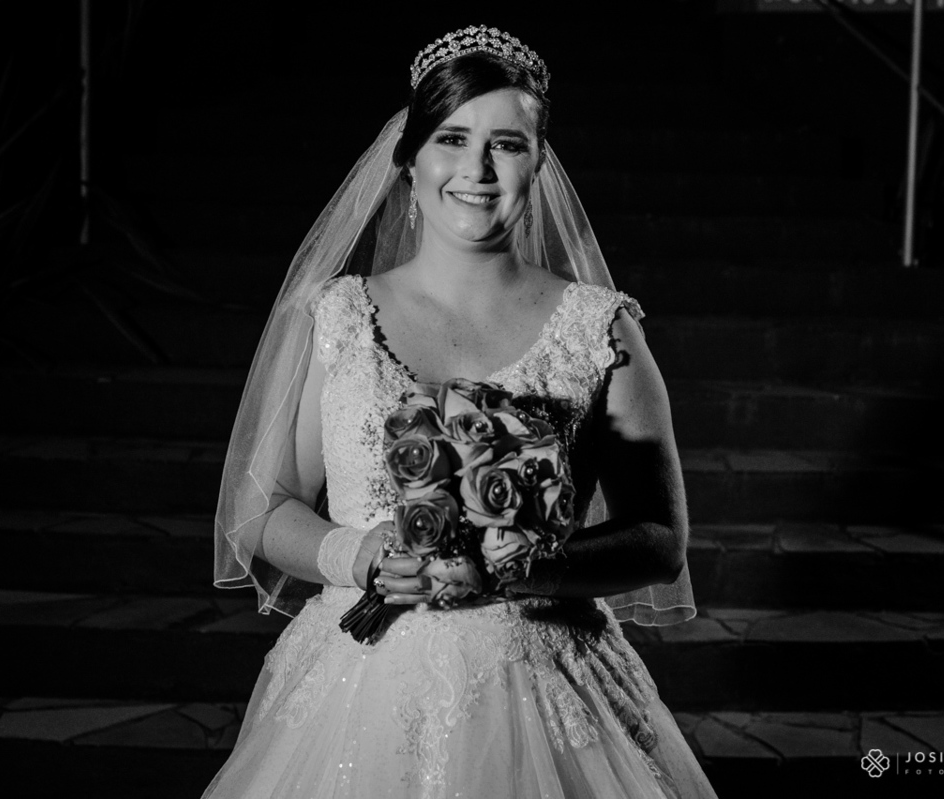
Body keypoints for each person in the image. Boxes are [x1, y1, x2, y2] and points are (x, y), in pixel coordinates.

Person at [205, 25, 718, 799]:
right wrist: (360, 554)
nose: (477, 169)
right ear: (410, 159)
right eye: (451, 137)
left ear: (539, 162)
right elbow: (260, 507)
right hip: (360, 694)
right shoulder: (338, 317)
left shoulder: (600, 329)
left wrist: (532, 564)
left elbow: (660, 538)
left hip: (544, 683)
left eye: (507, 143)